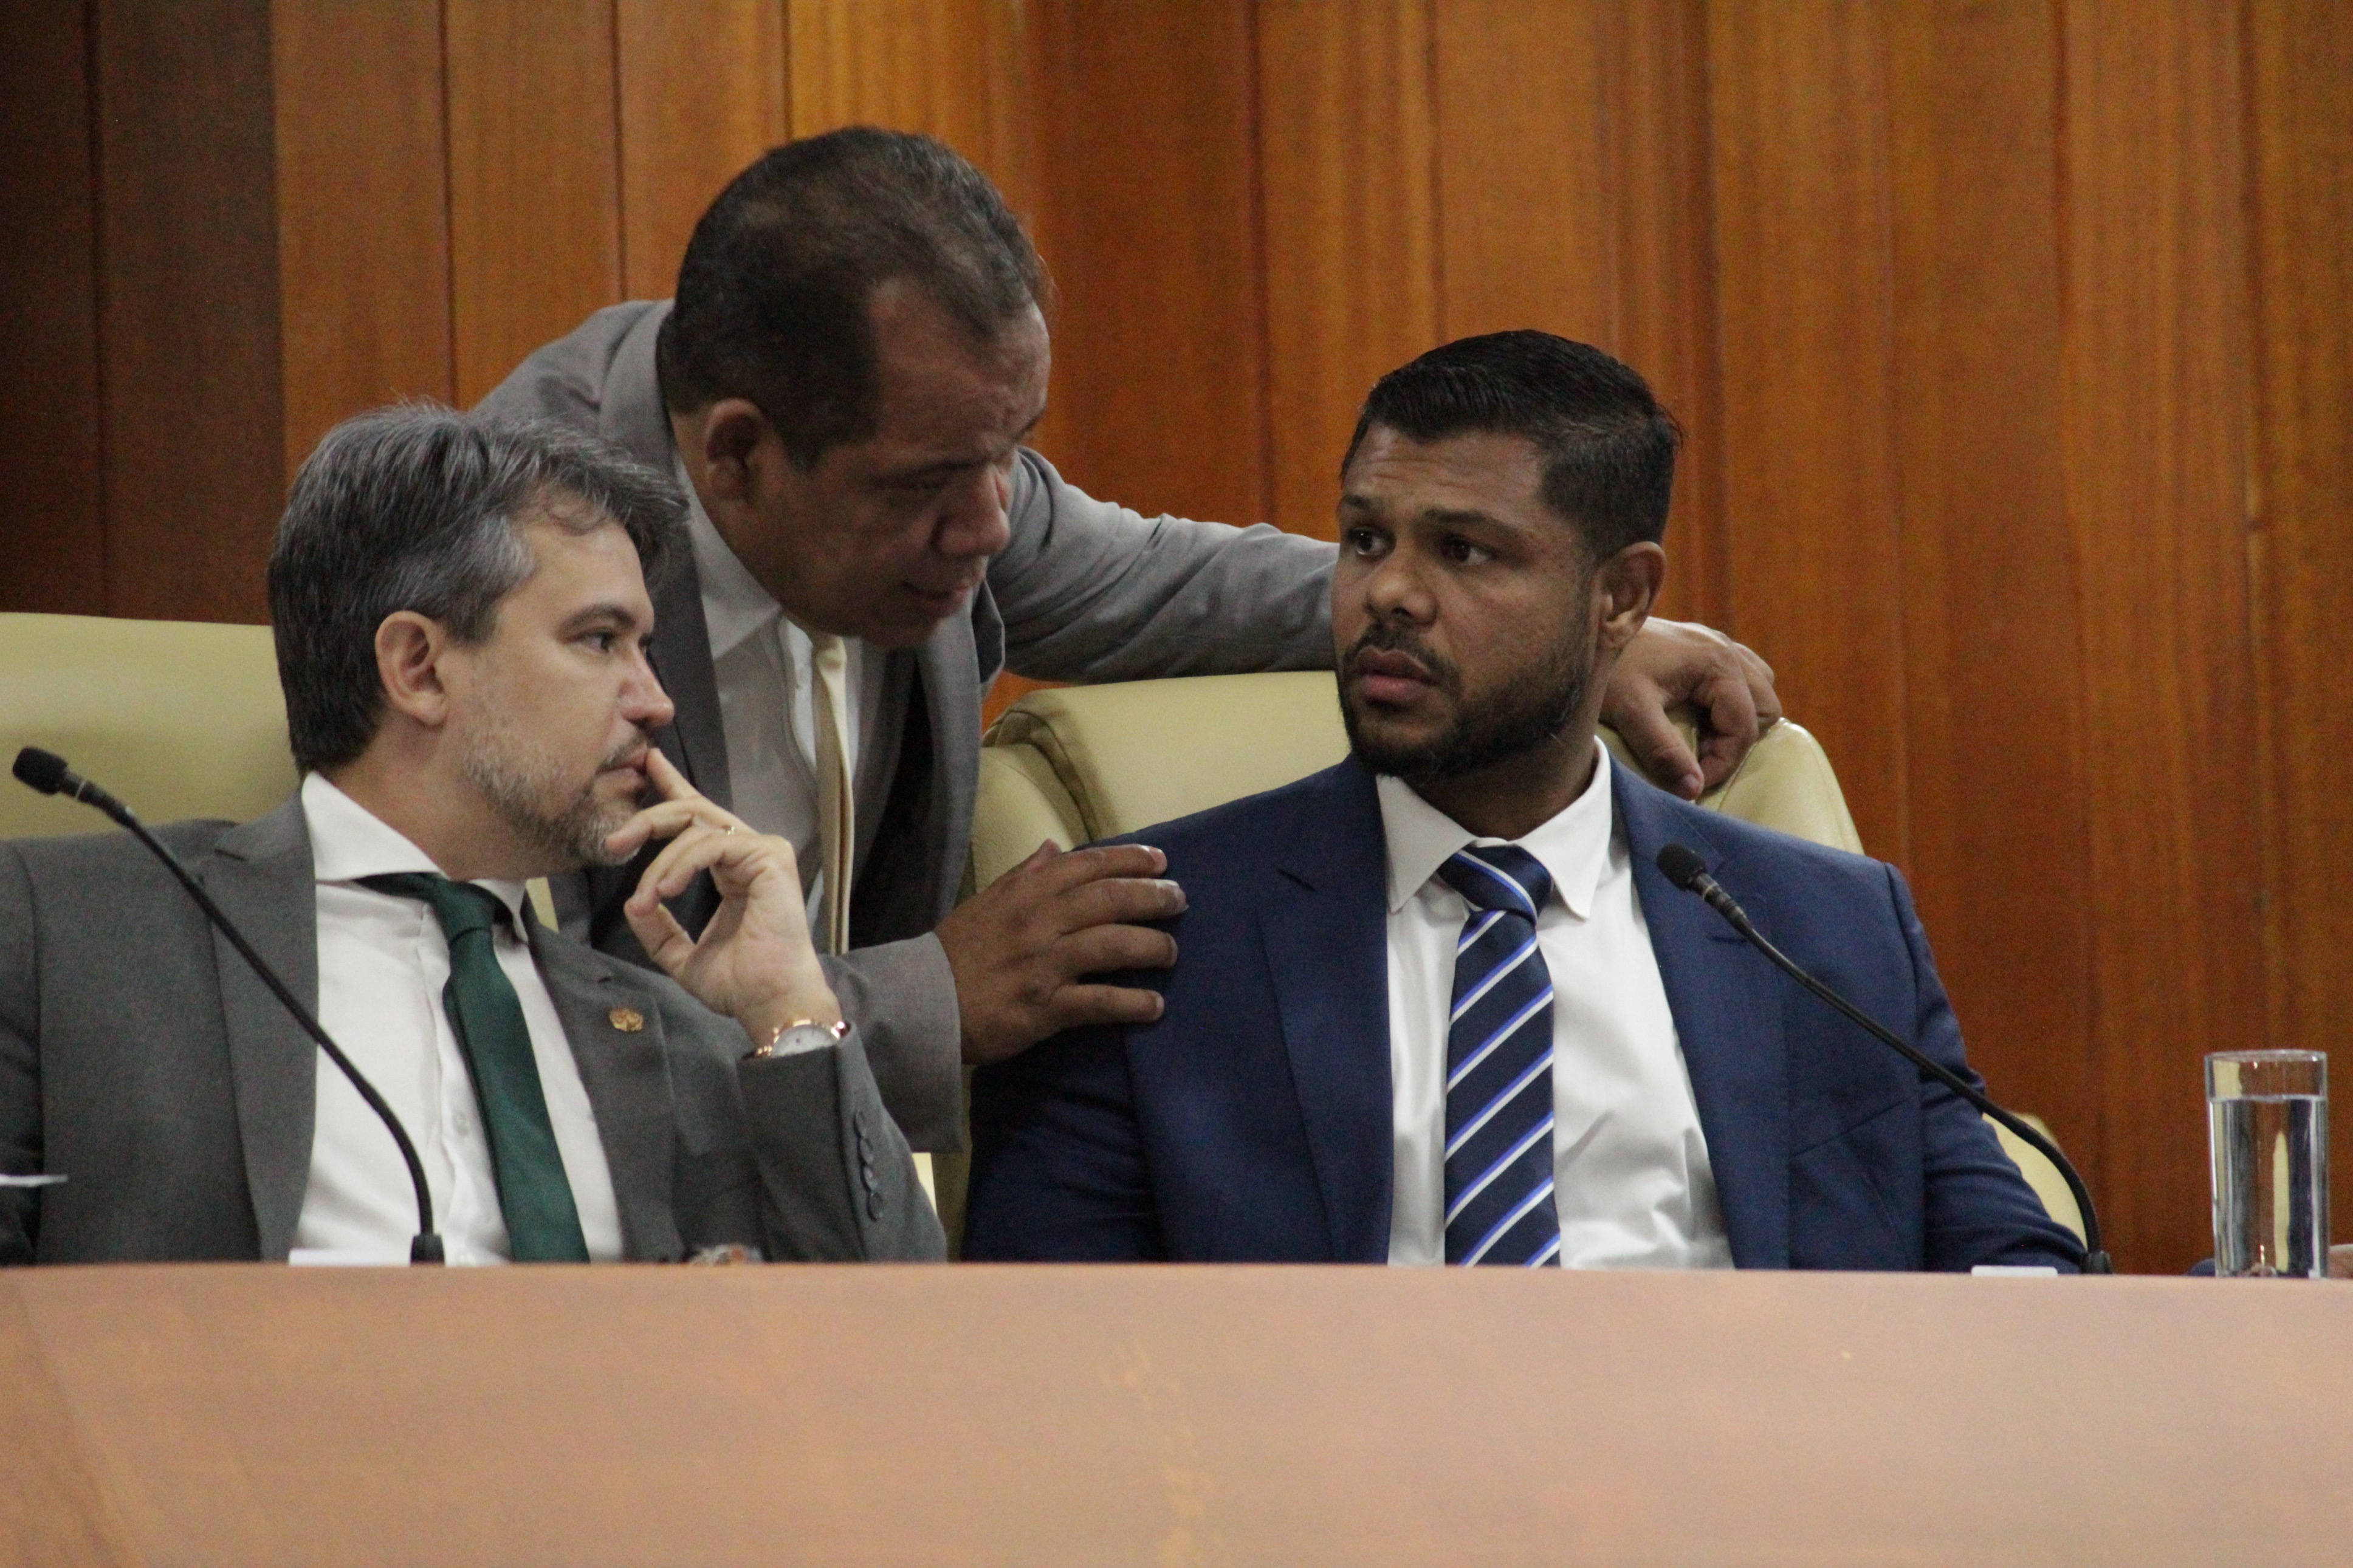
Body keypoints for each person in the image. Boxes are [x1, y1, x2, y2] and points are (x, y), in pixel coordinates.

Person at [477, 128, 1782, 1154]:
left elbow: (1165, 584)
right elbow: (541, 1057)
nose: (992, 524)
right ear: (737, 455)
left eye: (1014, 451)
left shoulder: (930, 458)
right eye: (935, 483)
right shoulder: (503, 586)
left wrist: (1558, 632)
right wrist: (934, 994)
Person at [961, 332, 2083, 1272]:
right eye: (1365, 539)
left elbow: (2013, 1269)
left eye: (1465, 551)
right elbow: (1051, 1349)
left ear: (1621, 599)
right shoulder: (1150, 936)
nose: (1388, 592)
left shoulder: (1820, 930)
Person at [0, 408, 941, 1265]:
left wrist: (790, 1009)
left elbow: (886, 1337)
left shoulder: (674, 1030)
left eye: (647, 648)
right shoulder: (69, 931)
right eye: (600, 640)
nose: (656, 702)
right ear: (419, 667)